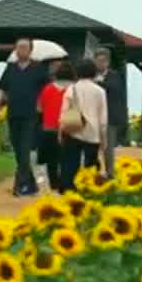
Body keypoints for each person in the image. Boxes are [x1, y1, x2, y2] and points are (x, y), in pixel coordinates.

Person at [0, 38, 49, 197]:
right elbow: (2, 89)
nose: (21, 50)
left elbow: (47, 89)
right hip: (13, 113)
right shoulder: (10, 68)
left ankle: (20, 185)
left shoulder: (39, 68)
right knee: (17, 149)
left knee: (24, 148)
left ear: (30, 50)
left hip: (31, 114)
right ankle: (31, 186)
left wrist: (41, 105)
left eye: (24, 47)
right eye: (18, 47)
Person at [56, 57, 106, 193]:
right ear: (94, 72)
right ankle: (89, 190)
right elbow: (103, 120)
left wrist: (61, 132)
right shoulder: (100, 91)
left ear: (77, 73)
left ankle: (68, 190)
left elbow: (64, 112)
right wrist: (103, 139)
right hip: (93, 133)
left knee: (69, 164)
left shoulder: (71, 89)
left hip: (73, 130)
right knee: (90, 165)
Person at [37, 61, 71, 193]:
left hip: (49, 128)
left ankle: (54, 185)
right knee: (67, 158)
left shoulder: (48, 88)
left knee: (52, 160)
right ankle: (65, 183)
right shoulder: (73, 89)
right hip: (68, 129)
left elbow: (39, 108)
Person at [93, 48, 128, 176]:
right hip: (93, 116)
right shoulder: (91, 75)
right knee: (92, 146)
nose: (100, 64)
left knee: (108, 147)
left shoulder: (114, 75)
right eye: (98, 61)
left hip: (110, 117)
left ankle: (110, 173)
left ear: (107, 62)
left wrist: (99, 83)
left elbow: (114, 89)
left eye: (103, 61)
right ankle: (93, 172)